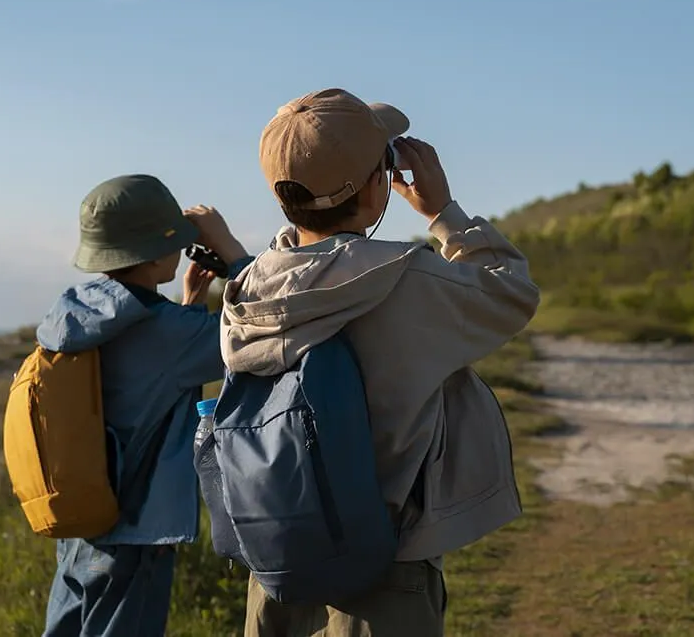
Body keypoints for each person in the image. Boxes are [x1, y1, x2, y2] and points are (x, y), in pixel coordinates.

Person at [218, 88, 541, 636]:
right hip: (384, 568)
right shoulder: (404, 278)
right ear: (377, 189)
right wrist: (443, 212)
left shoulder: (250, 289)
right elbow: (511, 293)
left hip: (276, 557)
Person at [37, 174, 252, 637]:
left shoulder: (76, 312)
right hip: (135, 530)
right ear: (158, 251)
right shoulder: (169, 334)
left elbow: (151, 359)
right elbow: (265, 325)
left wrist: (189, 302)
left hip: (82, 517)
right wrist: (233, 253)